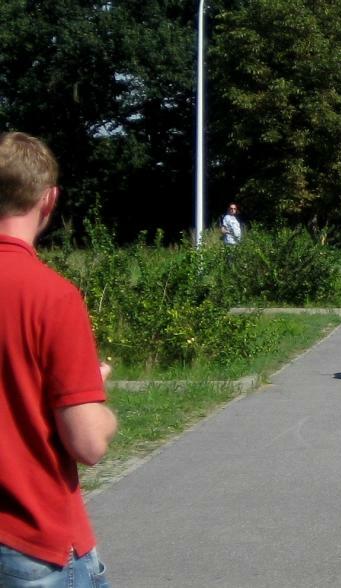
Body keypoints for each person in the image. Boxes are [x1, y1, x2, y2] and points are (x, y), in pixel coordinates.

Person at [0, 132, 118, 587]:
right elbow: (88, 443)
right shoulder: (52, 296)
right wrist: (96, 393)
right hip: (34, 541)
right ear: (49, 199)